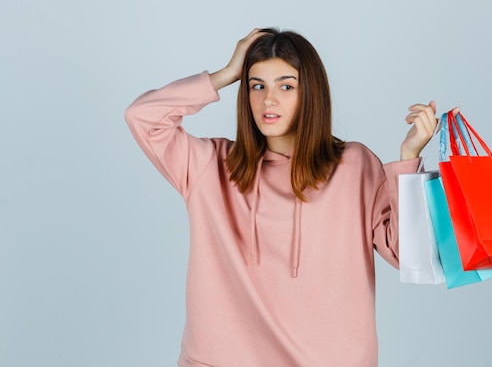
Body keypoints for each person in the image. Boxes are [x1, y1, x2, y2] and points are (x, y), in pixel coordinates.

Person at [125, 28, 440, 367]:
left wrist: (409, 157)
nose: (268, 100)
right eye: (257, 86)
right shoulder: (211, 166)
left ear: (311, 94)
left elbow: (407, 253)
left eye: (286, 86)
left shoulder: (354, 166)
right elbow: (142, 117)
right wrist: (226, 74)